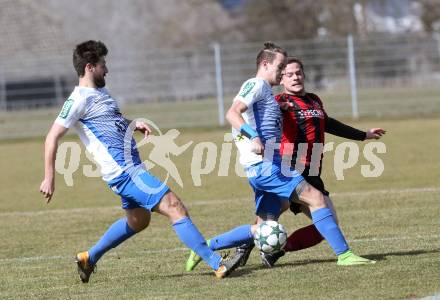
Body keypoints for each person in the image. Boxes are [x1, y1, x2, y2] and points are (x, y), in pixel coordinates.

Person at [39, 40, 242, 282]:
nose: (107, 69)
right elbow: (52, 137)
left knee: (138, 221)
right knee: (175, 207)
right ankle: (217, 263)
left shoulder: (100, 93)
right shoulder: (78, 100)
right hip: (125, 173)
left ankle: (88, 258)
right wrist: (49, 177)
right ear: (90, 67)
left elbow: (110, 121)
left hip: (129, 169)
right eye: (103, 64)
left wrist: (132, 124)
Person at [185, 42, 375, 272]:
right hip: (266, 165)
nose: (284, 71)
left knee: (263, 227)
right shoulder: (255, 84)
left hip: (264, 166)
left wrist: (280, 109)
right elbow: (232, 113)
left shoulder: (268, 92)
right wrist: (253, 137)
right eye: (281, 66)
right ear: (265, 64)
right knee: (316, 198)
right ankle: (344, 255)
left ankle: (205, 247)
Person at [238, 57, 386, 268]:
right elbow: (260, 118)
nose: (295, 77)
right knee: (322, 220)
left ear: (304, 74)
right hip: (291, 167)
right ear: (281, 78)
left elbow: (328, 123)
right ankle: (247, 247)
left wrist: (364, 135)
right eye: (289, 74)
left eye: (298, 72)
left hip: (312, 168)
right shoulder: (278, 102)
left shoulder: (314, 100)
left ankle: (266, 247)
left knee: (273, 221)